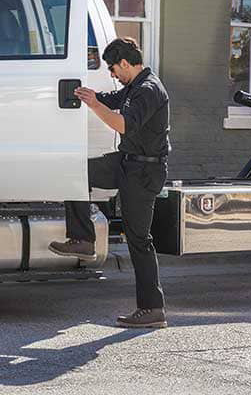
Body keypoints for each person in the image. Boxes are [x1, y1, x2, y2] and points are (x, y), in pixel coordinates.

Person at [49, 37, 171, 329]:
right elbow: (112, 99)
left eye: (114, 69)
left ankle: (153, 309)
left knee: (139, 239)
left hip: (144, 172)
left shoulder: (149, 89)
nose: (113, 75)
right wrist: (87, 94)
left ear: (126, 64)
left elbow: (123, 124)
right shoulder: (133, 86)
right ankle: (83, 240)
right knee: (75, 171)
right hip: (126, 161)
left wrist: (93, 106)